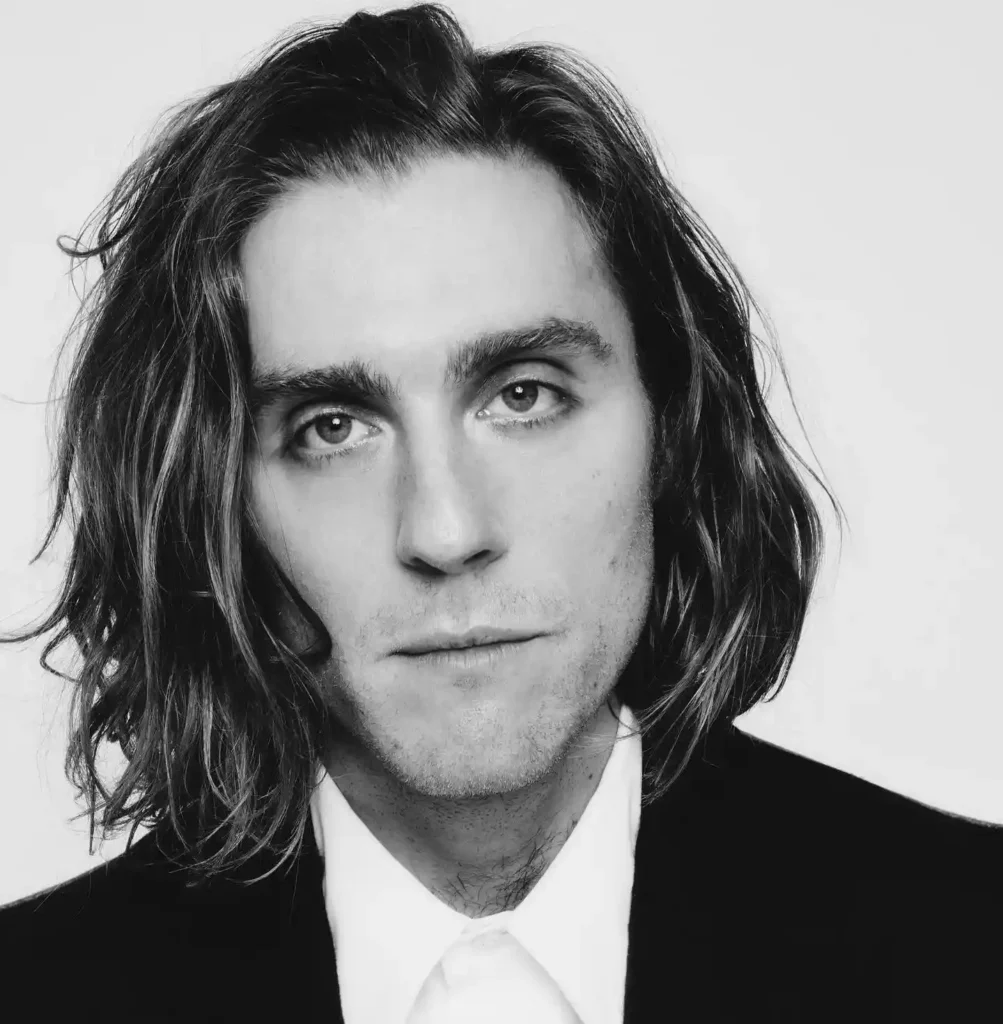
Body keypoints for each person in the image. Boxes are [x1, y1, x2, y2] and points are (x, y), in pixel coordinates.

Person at [0, 4, 998, 1021]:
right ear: (211, 503)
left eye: (523, 395)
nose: (445, 531)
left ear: (671, 424)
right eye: (332, 427)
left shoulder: (969, 944)